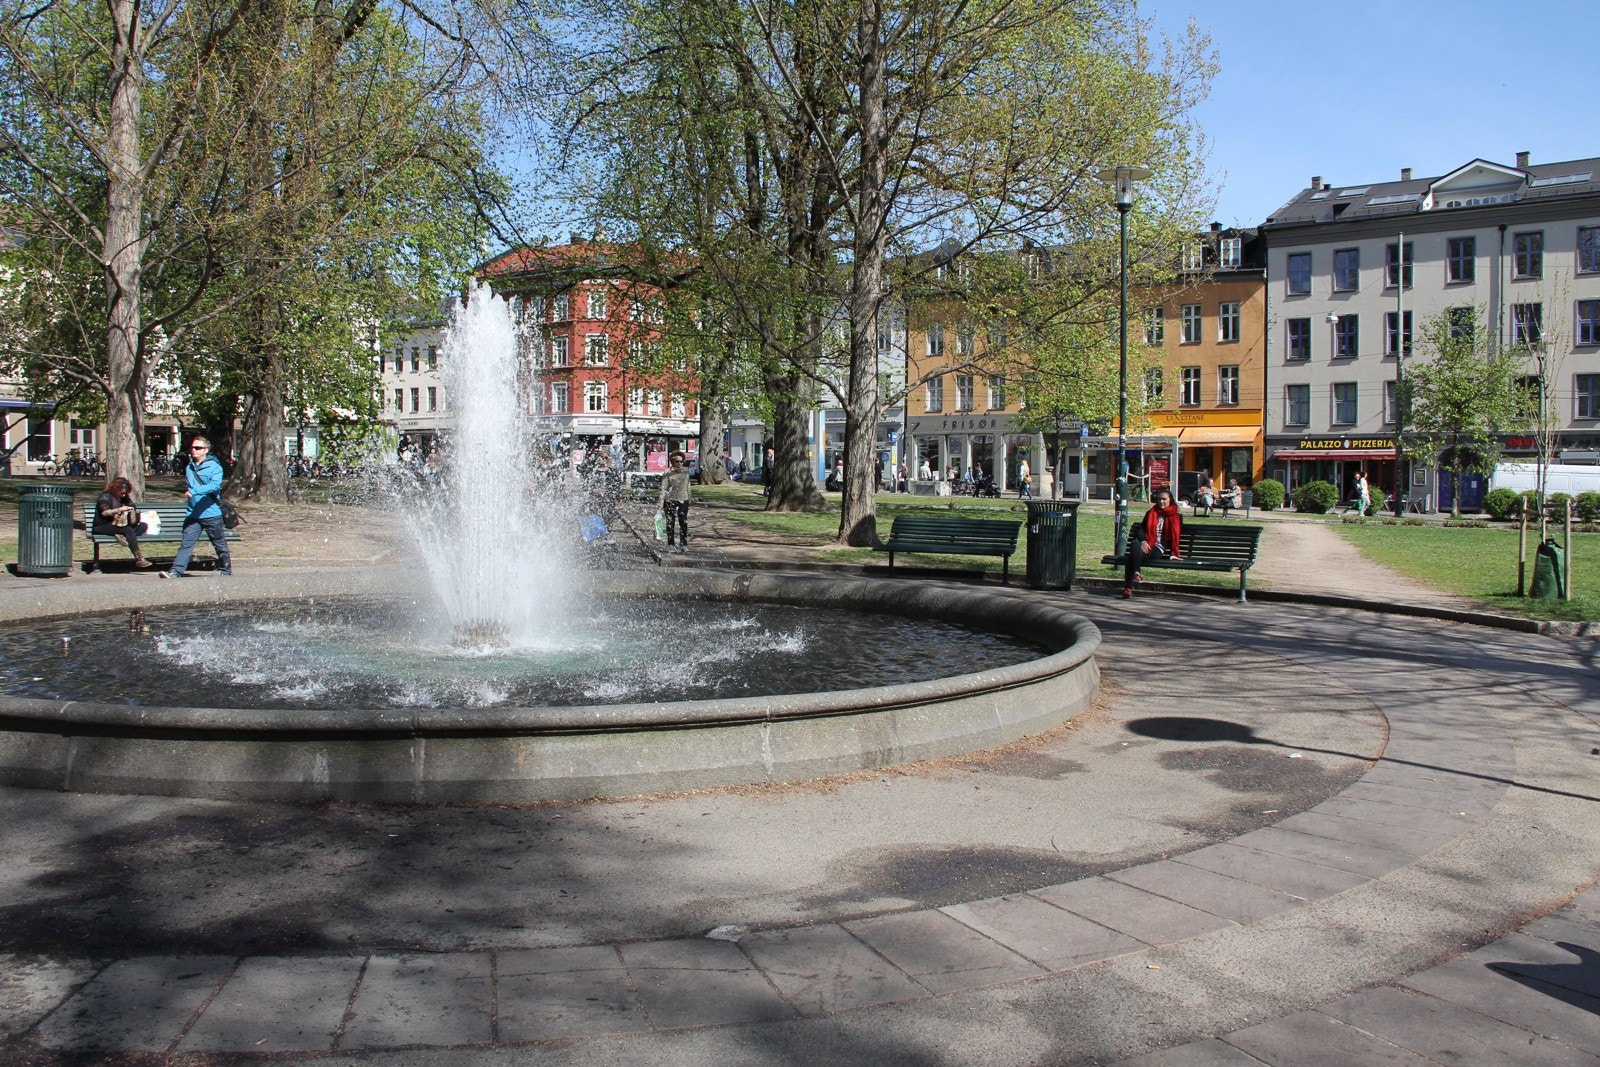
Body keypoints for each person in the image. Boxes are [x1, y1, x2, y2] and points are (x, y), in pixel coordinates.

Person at [160, 436, 231, 578]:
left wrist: (195, 491)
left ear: (206, 450)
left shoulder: (214, 467)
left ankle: (226, 571)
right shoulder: (189, 467)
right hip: (193, 514)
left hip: (211, 514)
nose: (194, 450)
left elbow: (215, 486)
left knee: (219, 544)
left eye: (198, 448)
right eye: (192, 447)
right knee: (186, 544)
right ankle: (176, 571)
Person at [1123, 488, 1182, 599]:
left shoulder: (1176, 516)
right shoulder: (1151, 513)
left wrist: (1173, 553)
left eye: (1164, 499)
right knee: (1135, 544)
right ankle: (1136, 572)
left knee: (1131, 557)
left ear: (1170, 500)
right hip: (1147, 545)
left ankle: (1128, 588)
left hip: (1158, 548)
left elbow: (1176, 536)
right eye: (1159, 499)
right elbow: (1141, 530)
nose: (1161, 502)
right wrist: (1144, 541)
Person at [93, 476, 151, 568]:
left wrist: (132, 511)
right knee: (128, 530)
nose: (124, 495)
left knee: (143, 526)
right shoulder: (105, 496)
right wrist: (119, 510)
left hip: (120, 525)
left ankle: (120, 535)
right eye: (122, 492)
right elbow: (104, 513)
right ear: (115, 489)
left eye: (126, 493)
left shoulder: (124, 498)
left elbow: (132, 506)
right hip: (103, 525)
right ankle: (139, 558)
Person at [656, 450, 693, 551]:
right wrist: (660, 504)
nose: (680, 463)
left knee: (683, 522)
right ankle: (671, 544)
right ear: (672, 462)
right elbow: (663, 489)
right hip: (670, 500)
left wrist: (689, 499)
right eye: (677, 461)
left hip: (683, 499)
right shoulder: (668, 472)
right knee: (670, 522)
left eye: (681, 461)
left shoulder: (685, 471)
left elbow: (688, 486)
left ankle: (684, 544)